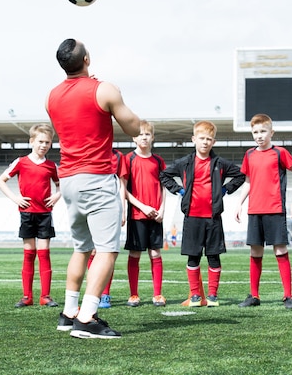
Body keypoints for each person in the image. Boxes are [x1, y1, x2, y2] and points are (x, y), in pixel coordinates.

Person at [46, 38, 140, 339]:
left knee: (81, 247)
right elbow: (134, 128)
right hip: (97, 178)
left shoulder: (52, 96)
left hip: (69, 178)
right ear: (86, 59)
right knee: (107, 250)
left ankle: (69, 311)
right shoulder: (104, 89)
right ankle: (86, 318)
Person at [160, 120, 245, 308]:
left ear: (213, 142)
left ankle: (213, 296)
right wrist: (179, 190)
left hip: (213, 218)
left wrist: (225, 190)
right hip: (192, 217)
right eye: (202, 138)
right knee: (193, 257)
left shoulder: (220, 163)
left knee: (214, 256)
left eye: (209, 139)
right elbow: (164, 175)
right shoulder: (185, 163)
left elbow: (240, 175)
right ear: (194, 139)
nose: (205, 142)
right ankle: (196, 296)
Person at [233, 113, 292, 310]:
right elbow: (248, 181)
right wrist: (239, 203)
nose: (259, 135)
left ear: (271, 132)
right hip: (254, 210)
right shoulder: (249, 155)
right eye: (255, 132)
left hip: (275, 209)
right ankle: (254, 296)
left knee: (280, 250)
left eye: (263, 131)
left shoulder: (280, 153)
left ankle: (288, 296)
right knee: (255, 251)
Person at [0, 124, 61, 308]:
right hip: (27, 214)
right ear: (31, 141)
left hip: (45, 214)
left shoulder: (51, 166)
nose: (44, 145)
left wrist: (57, 195)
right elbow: (0, 180)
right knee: (29, 255)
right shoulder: (21, 162)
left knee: (44, 254)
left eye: (47, 142)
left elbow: (61, 185)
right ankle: (27, 297)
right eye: (40, 141)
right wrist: (15, 198)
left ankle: (45, 296)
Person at [124, 120, 167, 307]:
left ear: (152, 138)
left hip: (156, 215)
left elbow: (165, 187)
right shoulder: (128, 159)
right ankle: (134, 294)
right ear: (134, 138)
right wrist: (142, 207)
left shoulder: (158, 161)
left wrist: (162, 210)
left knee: (156, 253)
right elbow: (123, 190)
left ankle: (157, 294)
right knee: (135, 254)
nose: (144, 137)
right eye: (140, 134)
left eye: (147, 134)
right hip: (137, 215)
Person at [87, 148, 128, 309]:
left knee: (107, 251)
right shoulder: (88, 152)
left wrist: (122, 209)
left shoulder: (118, 156)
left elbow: (121, 184)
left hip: (111, 207)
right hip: (90, 205)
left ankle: (104, 294)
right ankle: (92, 293)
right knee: (91, 252)